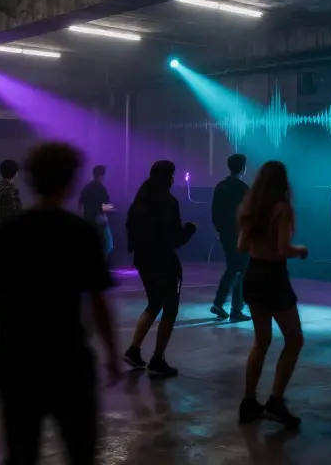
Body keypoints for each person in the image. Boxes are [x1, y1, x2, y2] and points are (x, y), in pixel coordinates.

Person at [0, 143, 122, 464]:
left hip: (17, 361)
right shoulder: (81, 233)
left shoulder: (6, 233)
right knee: (81, 453)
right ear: (71, 181)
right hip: (69, 361)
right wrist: (112, 356)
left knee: (21, 453)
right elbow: (99, 304)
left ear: (32, 180)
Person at [237, 160, 308, 429]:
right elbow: (283, 248)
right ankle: (276, 401)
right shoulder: (282, 209)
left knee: (261, 341)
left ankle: (249, 401)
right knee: (294, 339)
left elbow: (241, 245)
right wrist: (300, 249)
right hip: (273, 278)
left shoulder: (250, 208)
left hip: (253, 275)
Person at [123, 160, 195, 378]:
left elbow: (129, 227)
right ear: (168, 177)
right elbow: (174, 239)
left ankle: (134, 349)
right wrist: (189, 231)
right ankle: (157, 359)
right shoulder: (168, 202)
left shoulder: (140, 198)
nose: (174, 179)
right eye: (172, 175)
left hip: (143, 260)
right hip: (164, 262)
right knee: (170, 309)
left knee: (154, 303)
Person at [211, 154, 251, 323]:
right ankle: (234, 309)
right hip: (240, 235)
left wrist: (221, 230)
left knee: (233, 268)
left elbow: (215, 213)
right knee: (240, 270)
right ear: (243, 168)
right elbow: (249, 214)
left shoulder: (221, 186)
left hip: (226, 235)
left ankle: (222, 304)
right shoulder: (244, 189)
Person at [79, 164, 114, 259]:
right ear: (101, 175)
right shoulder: (101, 189)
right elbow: (106, 206)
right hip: (100, 220)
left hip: (88, 219)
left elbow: (81, 204)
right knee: (108, 243)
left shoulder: (86, 188)